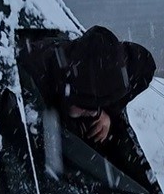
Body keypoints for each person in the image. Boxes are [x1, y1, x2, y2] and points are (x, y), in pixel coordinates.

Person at [19, 25, 155, 146]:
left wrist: (109, 112)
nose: (94, 113)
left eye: (96, 107)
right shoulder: (34, 81)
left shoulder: (105, 62)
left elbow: (146, 65)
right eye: (87, 108)